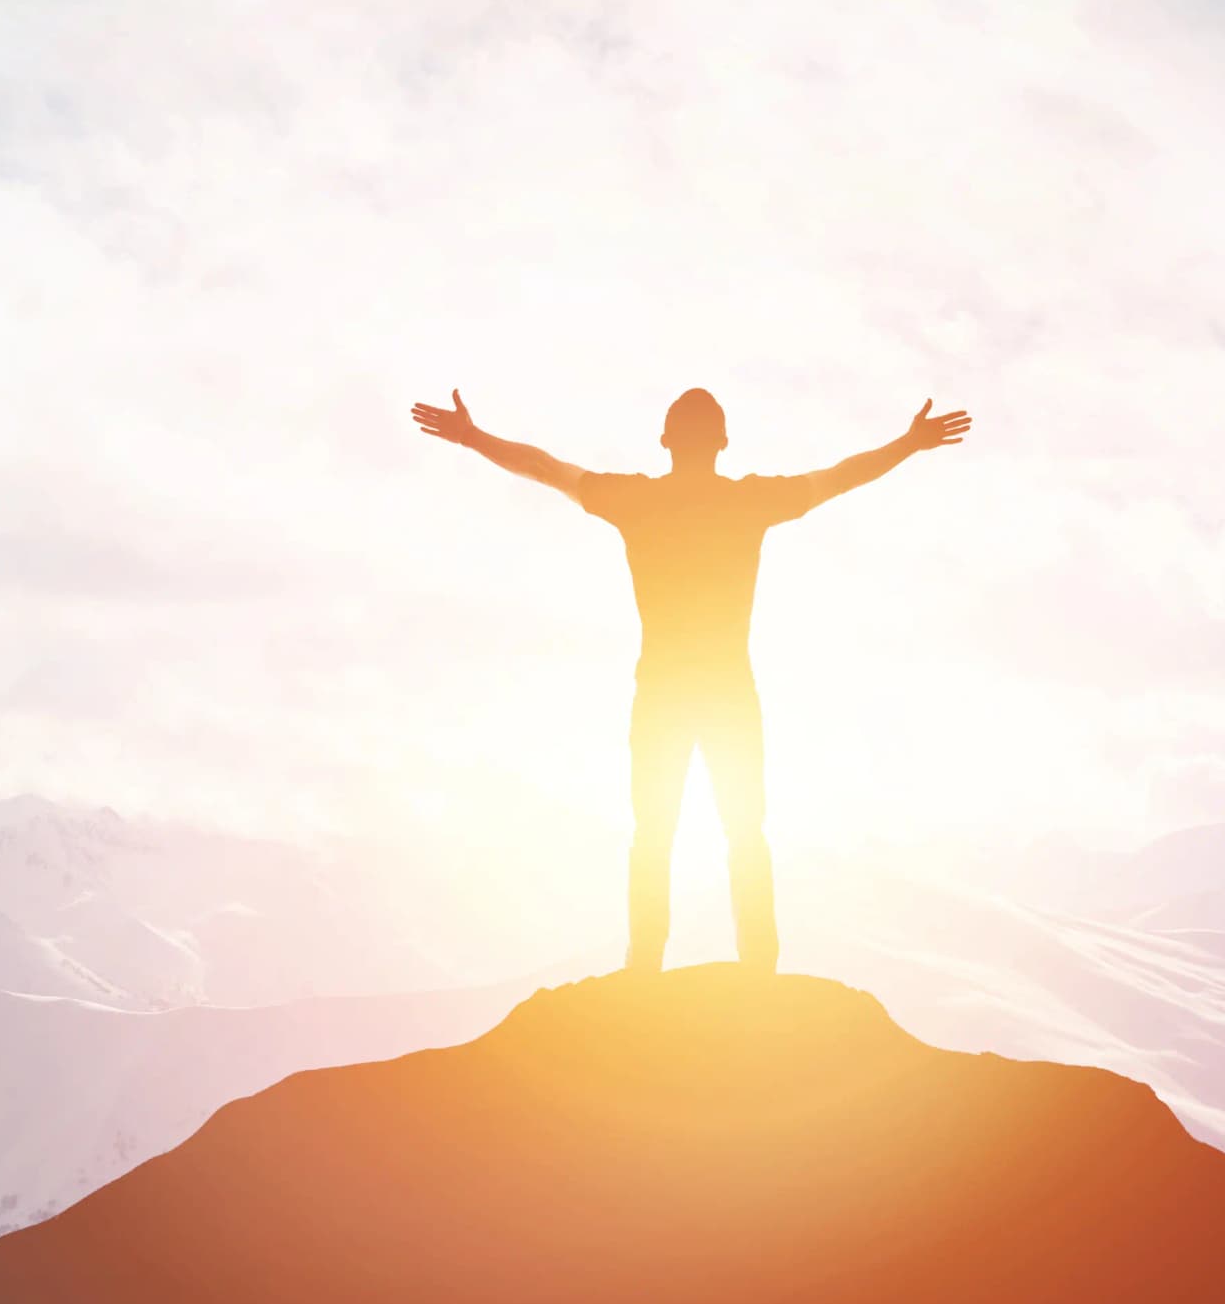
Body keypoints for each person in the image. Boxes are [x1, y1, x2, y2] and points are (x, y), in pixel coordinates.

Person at [409, 385, 971, 974]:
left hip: (662, 693)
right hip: (730, 692)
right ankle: (759, 970)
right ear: (724, 443)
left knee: (654, 831)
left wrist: (471, 436)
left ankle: (644, 968)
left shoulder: (631, 499)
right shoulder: (752, 502)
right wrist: (909, 443)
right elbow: (841, 476)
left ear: (664, 440)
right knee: (744, 832)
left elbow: (545, 467)